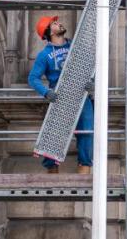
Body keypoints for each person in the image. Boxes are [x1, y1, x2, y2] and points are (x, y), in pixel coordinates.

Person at [27, 15, 93, 174]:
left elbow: (90, 65)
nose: (59, 23)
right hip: (60, 97)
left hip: (80, 95)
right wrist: (46, 92)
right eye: (54, 23)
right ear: (49, 32)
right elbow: (33, 78)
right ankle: (52, 175)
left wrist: (92, 81)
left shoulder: (75, 46)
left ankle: (84, 171)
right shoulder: (44, 55)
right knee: (54, 138)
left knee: (88, 132)